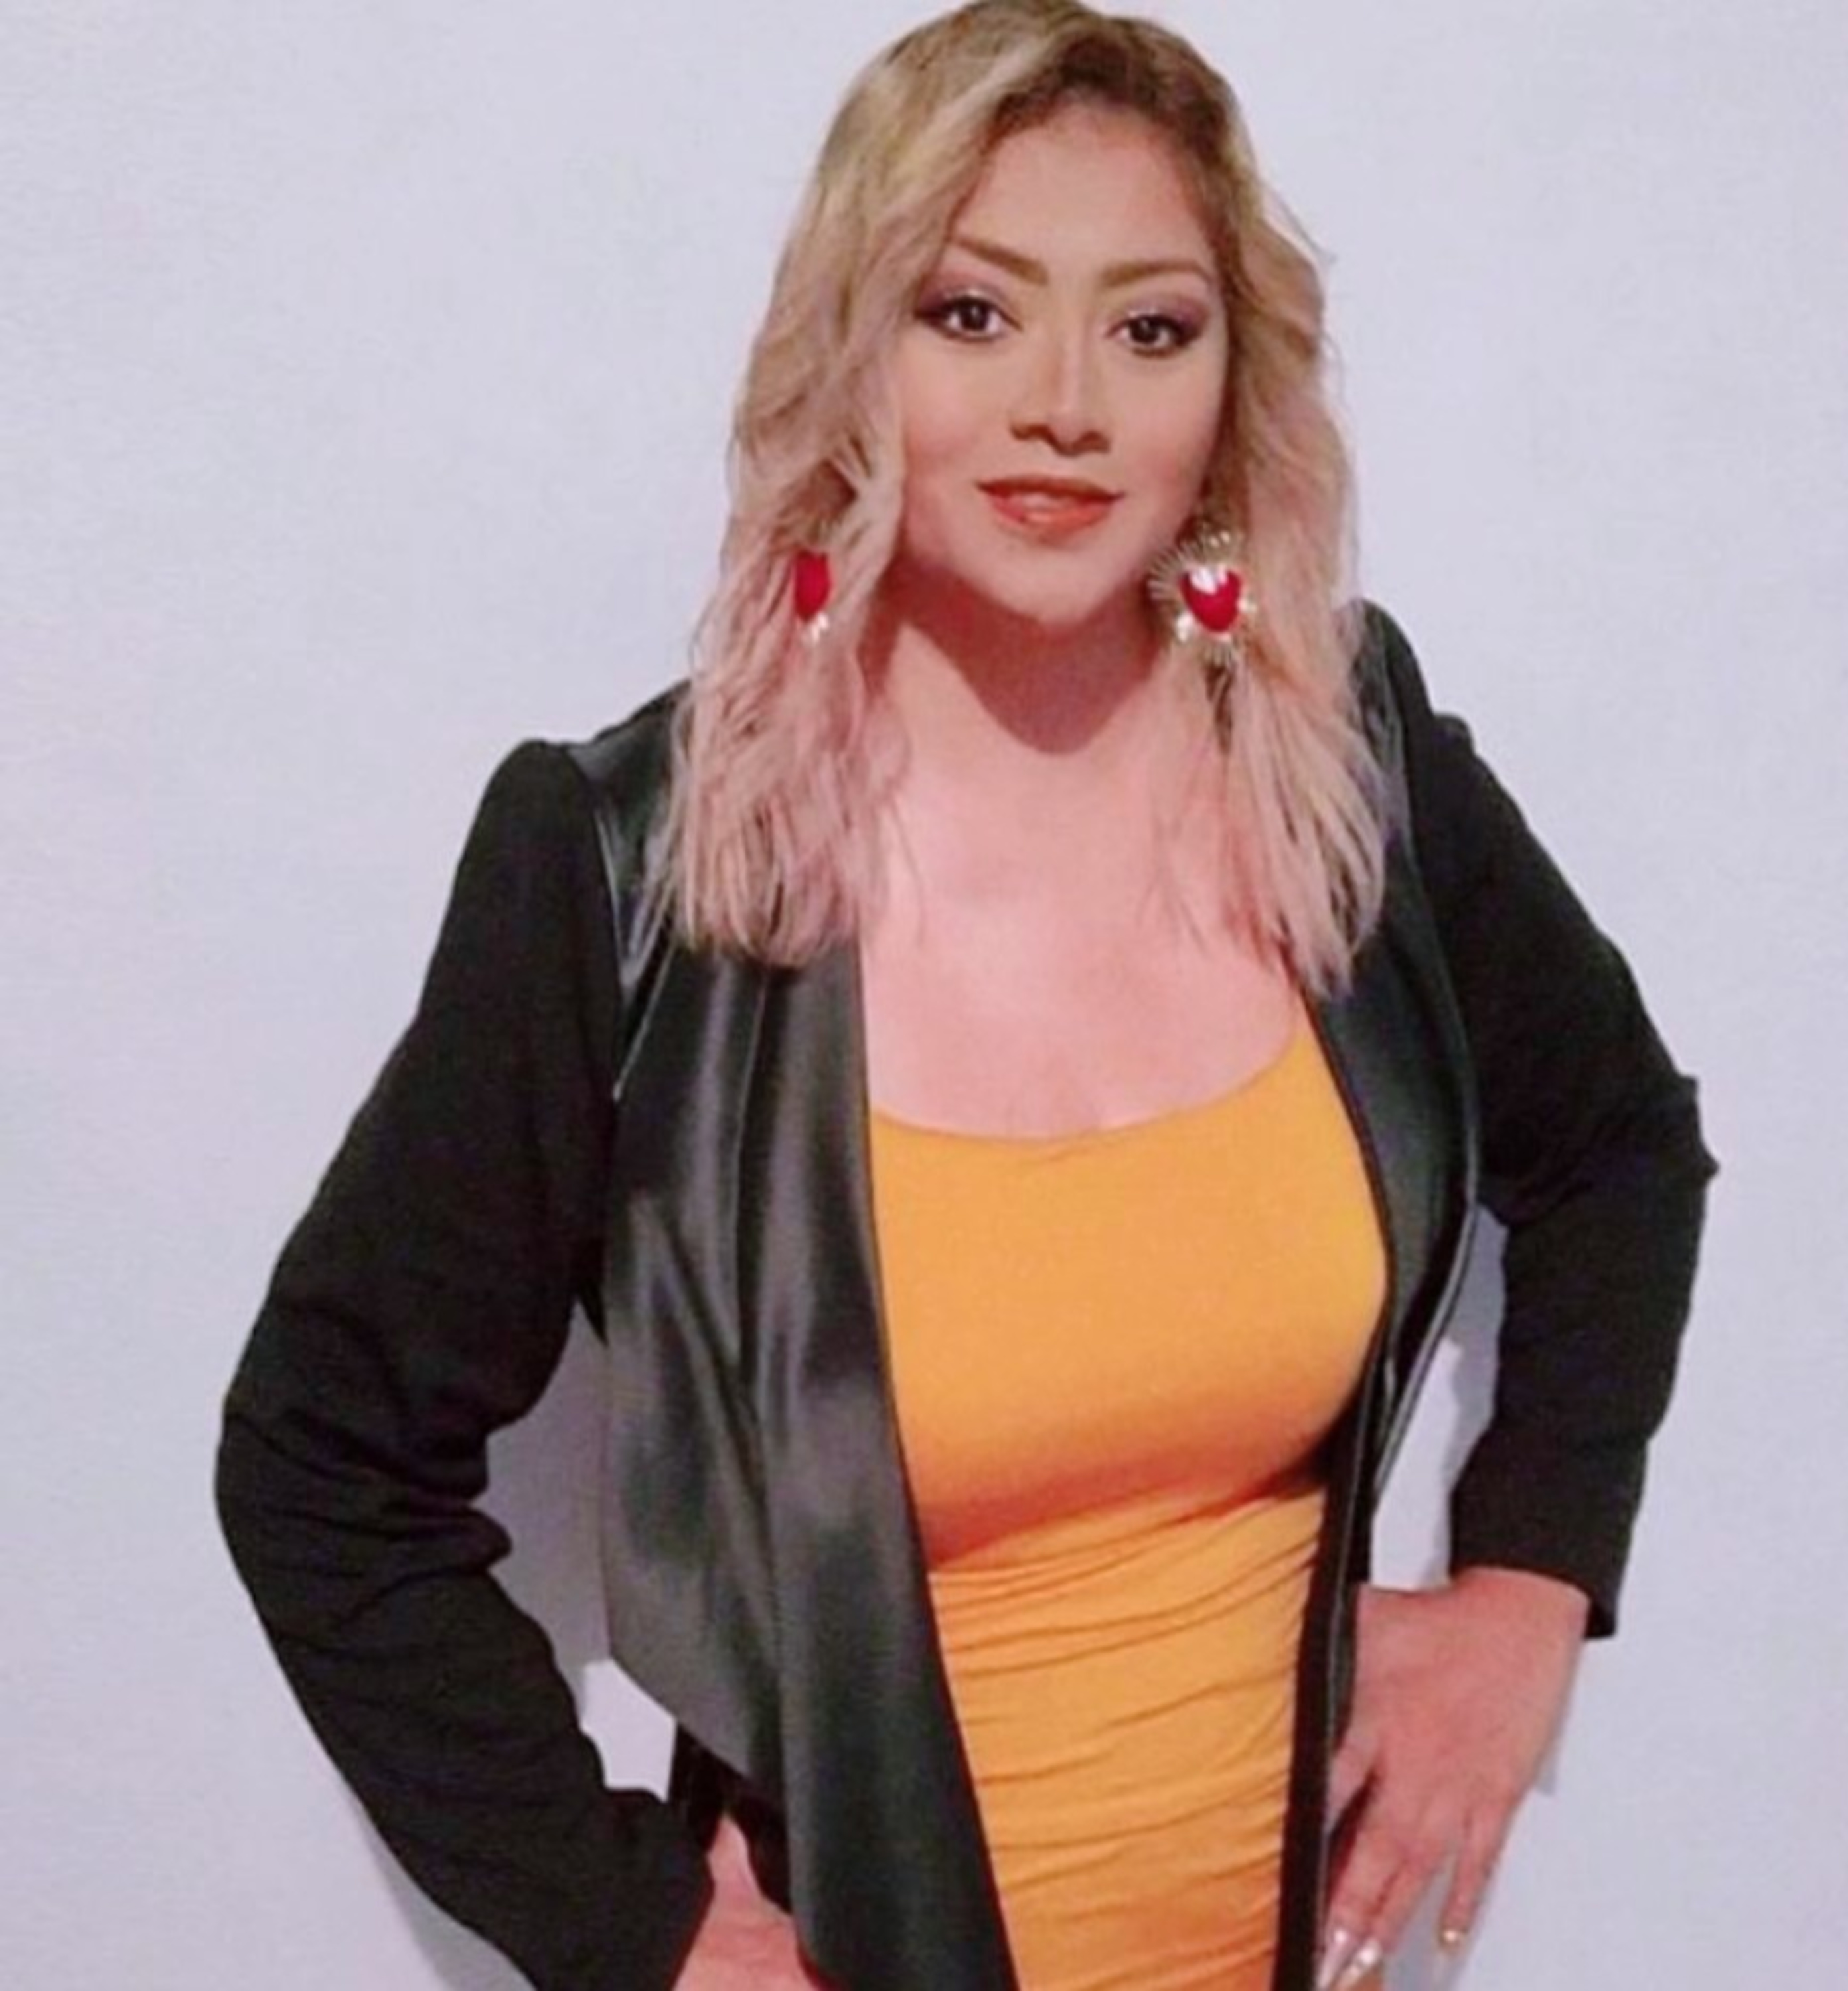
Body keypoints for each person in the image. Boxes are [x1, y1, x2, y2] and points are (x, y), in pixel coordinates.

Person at [215, 3, 1714, 1988]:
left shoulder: (1345, 762)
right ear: (855, 347)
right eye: (973, 314)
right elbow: (322, 1463)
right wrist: (628, 1924)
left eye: (1150, 329)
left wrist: (1530, 1582)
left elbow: (1619, 1148)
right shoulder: (634, 872)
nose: (1065, 407)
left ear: (1229, 389)